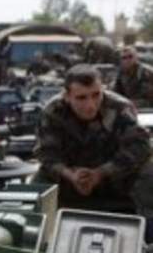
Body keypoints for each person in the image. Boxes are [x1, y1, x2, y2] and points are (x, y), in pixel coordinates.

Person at [32, 64, 153, 232]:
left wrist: (100, 173)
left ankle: (147, 233)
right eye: (81, 98)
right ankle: (38, 234)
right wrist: (70, 174)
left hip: (115, 178)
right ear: (67, 96)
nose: (91, 105)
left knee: (149, 172)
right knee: (37, 183)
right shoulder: (52, 111)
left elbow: (140, 148)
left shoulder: (120, 108)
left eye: (96, 95)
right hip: (70, 179)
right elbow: (46, 153)